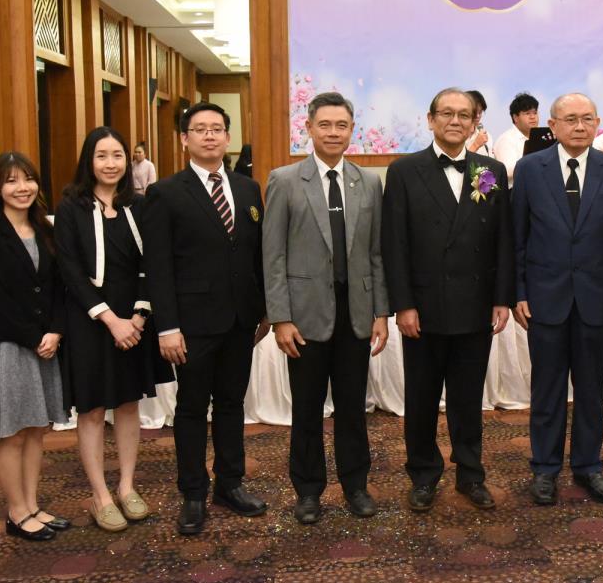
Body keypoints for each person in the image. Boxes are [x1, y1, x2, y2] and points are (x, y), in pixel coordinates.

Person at [383, 87, 515, 511]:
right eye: (447, 113)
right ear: (430, 119)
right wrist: (403, 304)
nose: (455, 121)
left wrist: (502, 298)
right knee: (421, 399)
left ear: (475, 121)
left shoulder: (490, 170)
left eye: (464, 115)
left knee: (468, 398)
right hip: (423, 308)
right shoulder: (404, 171)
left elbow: (502, 239)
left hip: (475, 304)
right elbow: (394, 243)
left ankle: (471, 474)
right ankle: (423, 474)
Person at [142, 102, 269, 536]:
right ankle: (193, 492)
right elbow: (158, 266)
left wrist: (264, 309)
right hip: (192, 323)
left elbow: (256, 253)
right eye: (200, 129)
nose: (210, 136)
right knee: (193, 408)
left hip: (240, 319)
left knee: (233, 404)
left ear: (228, 138)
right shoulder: (165, 193)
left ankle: (230, 484)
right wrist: (167, 326)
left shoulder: (248, 188)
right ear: (185, 139)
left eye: (217, 129)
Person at [263, 92, 390, 525]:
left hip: (356, 314)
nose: (333, 133)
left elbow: (376, 253)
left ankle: (356, 485)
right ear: (309, 128)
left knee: (354, 407)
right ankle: (308, 490)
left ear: (351, 130)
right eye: (325, 125)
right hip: (304, 317)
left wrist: (381, 312)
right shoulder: (284, 180)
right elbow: (273, 255)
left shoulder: (368, 182)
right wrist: (280, 318)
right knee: (307, 408)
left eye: (341, 125)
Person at [512, 92, 603, 506]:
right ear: (553, 125)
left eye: (587, 119)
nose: (579, 127)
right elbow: (518, 235)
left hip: (597, 297)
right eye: (570, 119)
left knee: (592, 388)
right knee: (546, 389)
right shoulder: (530, 169)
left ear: (598, 123)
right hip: (545, 297)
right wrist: (519, 292)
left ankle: (588, 466)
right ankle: (545, 469)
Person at [56, 127, 175, 531]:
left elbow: (153, 263)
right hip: (90, 321)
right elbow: (70, 270)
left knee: (127, 405)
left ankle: (126, 486)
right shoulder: (71, 207)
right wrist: (110, 320)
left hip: (135, 320)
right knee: (91, 409)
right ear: (88, 161)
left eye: (118, 155)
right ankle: (100, 495)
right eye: (102, 156)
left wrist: (138, 317)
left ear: (129, 160)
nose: (111, 164)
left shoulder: (139, 204)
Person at [0, 152, 69, 541]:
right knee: (13, 433)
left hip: (46, 343)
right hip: (9, 345)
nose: (21, 188)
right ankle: (16, 511)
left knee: (37, 429)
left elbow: (59, 288)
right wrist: (34, 337)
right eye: (11, 181)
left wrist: (55, 331)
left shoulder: (46, 231)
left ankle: (33, 504)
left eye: (27, 179)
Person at [492, 92, 539, 187]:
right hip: (515, 192)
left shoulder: (540, 137)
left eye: (535, 113)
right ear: (515, 117)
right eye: (527, 113)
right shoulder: (506, 139)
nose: (533, 117)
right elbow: (506, 171)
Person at [464, 89, 493, 154]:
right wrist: (476, 145)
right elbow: (457, 160)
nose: (477, 116)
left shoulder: (486, 136)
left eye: (480, 112)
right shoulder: (456, 135)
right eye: (474, 112)